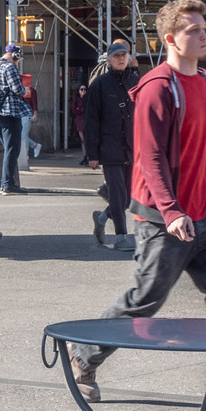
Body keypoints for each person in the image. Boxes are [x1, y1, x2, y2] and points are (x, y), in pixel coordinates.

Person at [68, 0, 206, 411]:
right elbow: (149, 157)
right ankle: (83, 355)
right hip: (163, 220)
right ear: (171, 38)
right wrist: (171, 211)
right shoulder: (157, 87)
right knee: (145, 300)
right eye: (193, 29)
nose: (203, 34)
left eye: (203, 27)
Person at [85, 40, 138, 252]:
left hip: (132, 148)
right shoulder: (99, 85)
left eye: (124, 55)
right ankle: (121, 236)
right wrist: (92, 154)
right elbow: (91, 121)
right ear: (109, 59)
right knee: (117, 193)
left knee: (128, 196)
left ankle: (103, 216)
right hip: (110, 147)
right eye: (116, 55)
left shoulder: (135, 80)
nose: (121, 58)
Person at [0, 45, 29, 195]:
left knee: (8, 149)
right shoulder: (9, 68)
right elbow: (17, 89)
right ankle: (7, 184)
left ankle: (6, 183)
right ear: (15, 55)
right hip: (9, 112)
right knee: (13, 149)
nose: (18, 62)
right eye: (19, 60)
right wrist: (26, 91)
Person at [21, 76, 42, 159]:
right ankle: (35, 145)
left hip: (27, 115)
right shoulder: (21, 90)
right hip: (21, 114)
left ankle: (25, 154)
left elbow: (34, 103)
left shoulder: (31, 91)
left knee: (23, 134)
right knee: (22, 135)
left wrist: (35, 114)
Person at [73, 84, 88, 166]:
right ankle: (85, 156)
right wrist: (80, 110)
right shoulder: (77, 99)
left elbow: (87, 109)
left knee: (87, 139)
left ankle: (89, 156)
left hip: (87, 121)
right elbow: (74, 110)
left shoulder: (88, 99)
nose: (83, 91)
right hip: (79, 121)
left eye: (84, 89)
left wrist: (80, 109)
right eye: (81, 89)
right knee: (83, 140)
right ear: (78, 91)